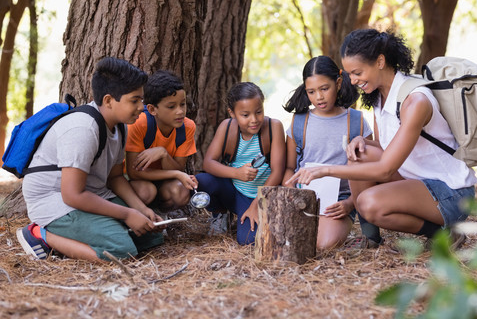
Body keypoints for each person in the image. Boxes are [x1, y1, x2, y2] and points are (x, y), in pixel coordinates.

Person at [286, 29, 477, 247]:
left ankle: (442, 236)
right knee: (359, 154)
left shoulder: (415, 102)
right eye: (349, 74)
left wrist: (325, 170)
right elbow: (387, 147)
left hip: (450, 193)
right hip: (419, 182)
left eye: (357, 72)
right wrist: (363, 142)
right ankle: (371, 239)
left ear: (380, 61)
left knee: (368, 203)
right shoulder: (380, 97)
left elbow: (385, 168)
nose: (353, 80)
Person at [17, 57, 164, 262]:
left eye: (142, 99)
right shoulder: (83, 129)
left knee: (152, 235)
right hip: (56, 201)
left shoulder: (119, 126)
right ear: (109, 101)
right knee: (122, 251)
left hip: (91, 193)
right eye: (134, 100)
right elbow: (72, 195)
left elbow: (115, 178)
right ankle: (40, 234)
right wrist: (127, 215)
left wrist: (141, 209)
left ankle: (92, 233)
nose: (142, 107)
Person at [282, 55, 378, 250]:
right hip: (304, 196)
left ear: (339, 83)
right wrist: (290, 191)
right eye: (311, 91)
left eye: (324, 89)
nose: (319, 97)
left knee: (324, 245)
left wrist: (350, 203)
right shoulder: (299, 122)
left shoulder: (356, 121)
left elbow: (372, 171)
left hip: (339, 202)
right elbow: (290, 166)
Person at [196, 82, 286, 245]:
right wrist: (236, 173)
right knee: (202, 181)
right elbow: (208, 163)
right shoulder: (227, 127)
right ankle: (220, 213)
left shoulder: (274, 127)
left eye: (258, 112)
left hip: (259, 195)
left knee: (247, 240)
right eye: (245, 115)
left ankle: (251, 213)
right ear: (232, 113)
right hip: (233, 191)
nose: (254, 120)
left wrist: (256, 204)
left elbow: (278, 172)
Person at [125, 70, 197, 212]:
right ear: (152, 109)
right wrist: (176, 174)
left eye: (182, 104)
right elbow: (134, 173)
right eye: (171, 106)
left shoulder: (187, 127)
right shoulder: (139, 124)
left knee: (181, 192)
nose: (180, 111)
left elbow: (178, 169)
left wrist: (163, 154)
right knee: (147, 191)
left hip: (161, 181)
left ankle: (158, 215)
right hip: (133, 181)